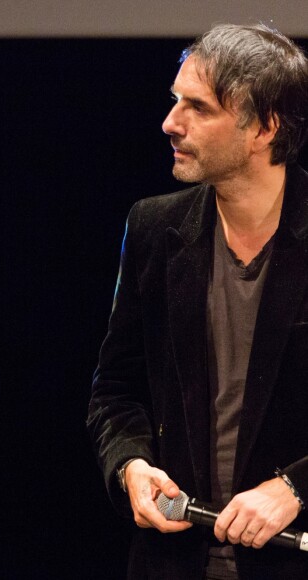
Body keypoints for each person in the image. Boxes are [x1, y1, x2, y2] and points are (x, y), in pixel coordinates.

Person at [87, 24, 308, 579]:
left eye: (198, 107)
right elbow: (116, 390)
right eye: (174, 100)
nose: (170, 123)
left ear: (264, 127)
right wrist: (131, 466)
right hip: (174, 563)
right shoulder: (154, 227)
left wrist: (294, 489)